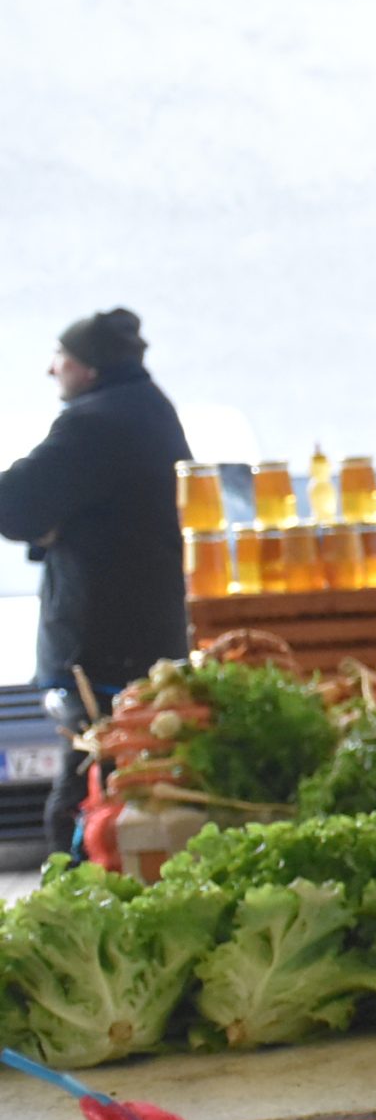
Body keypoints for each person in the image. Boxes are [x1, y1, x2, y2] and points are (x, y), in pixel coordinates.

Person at [0, 309, 192, 854]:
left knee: (87, 797)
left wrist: (49, 526)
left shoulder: (93, 423)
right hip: (143, 635)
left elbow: (13, 506)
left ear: (89, 367)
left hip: (102, 650)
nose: (51, 369)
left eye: (60, 357)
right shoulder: (147, 408)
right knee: (125, 785)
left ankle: (79, 892)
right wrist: (54, 527)